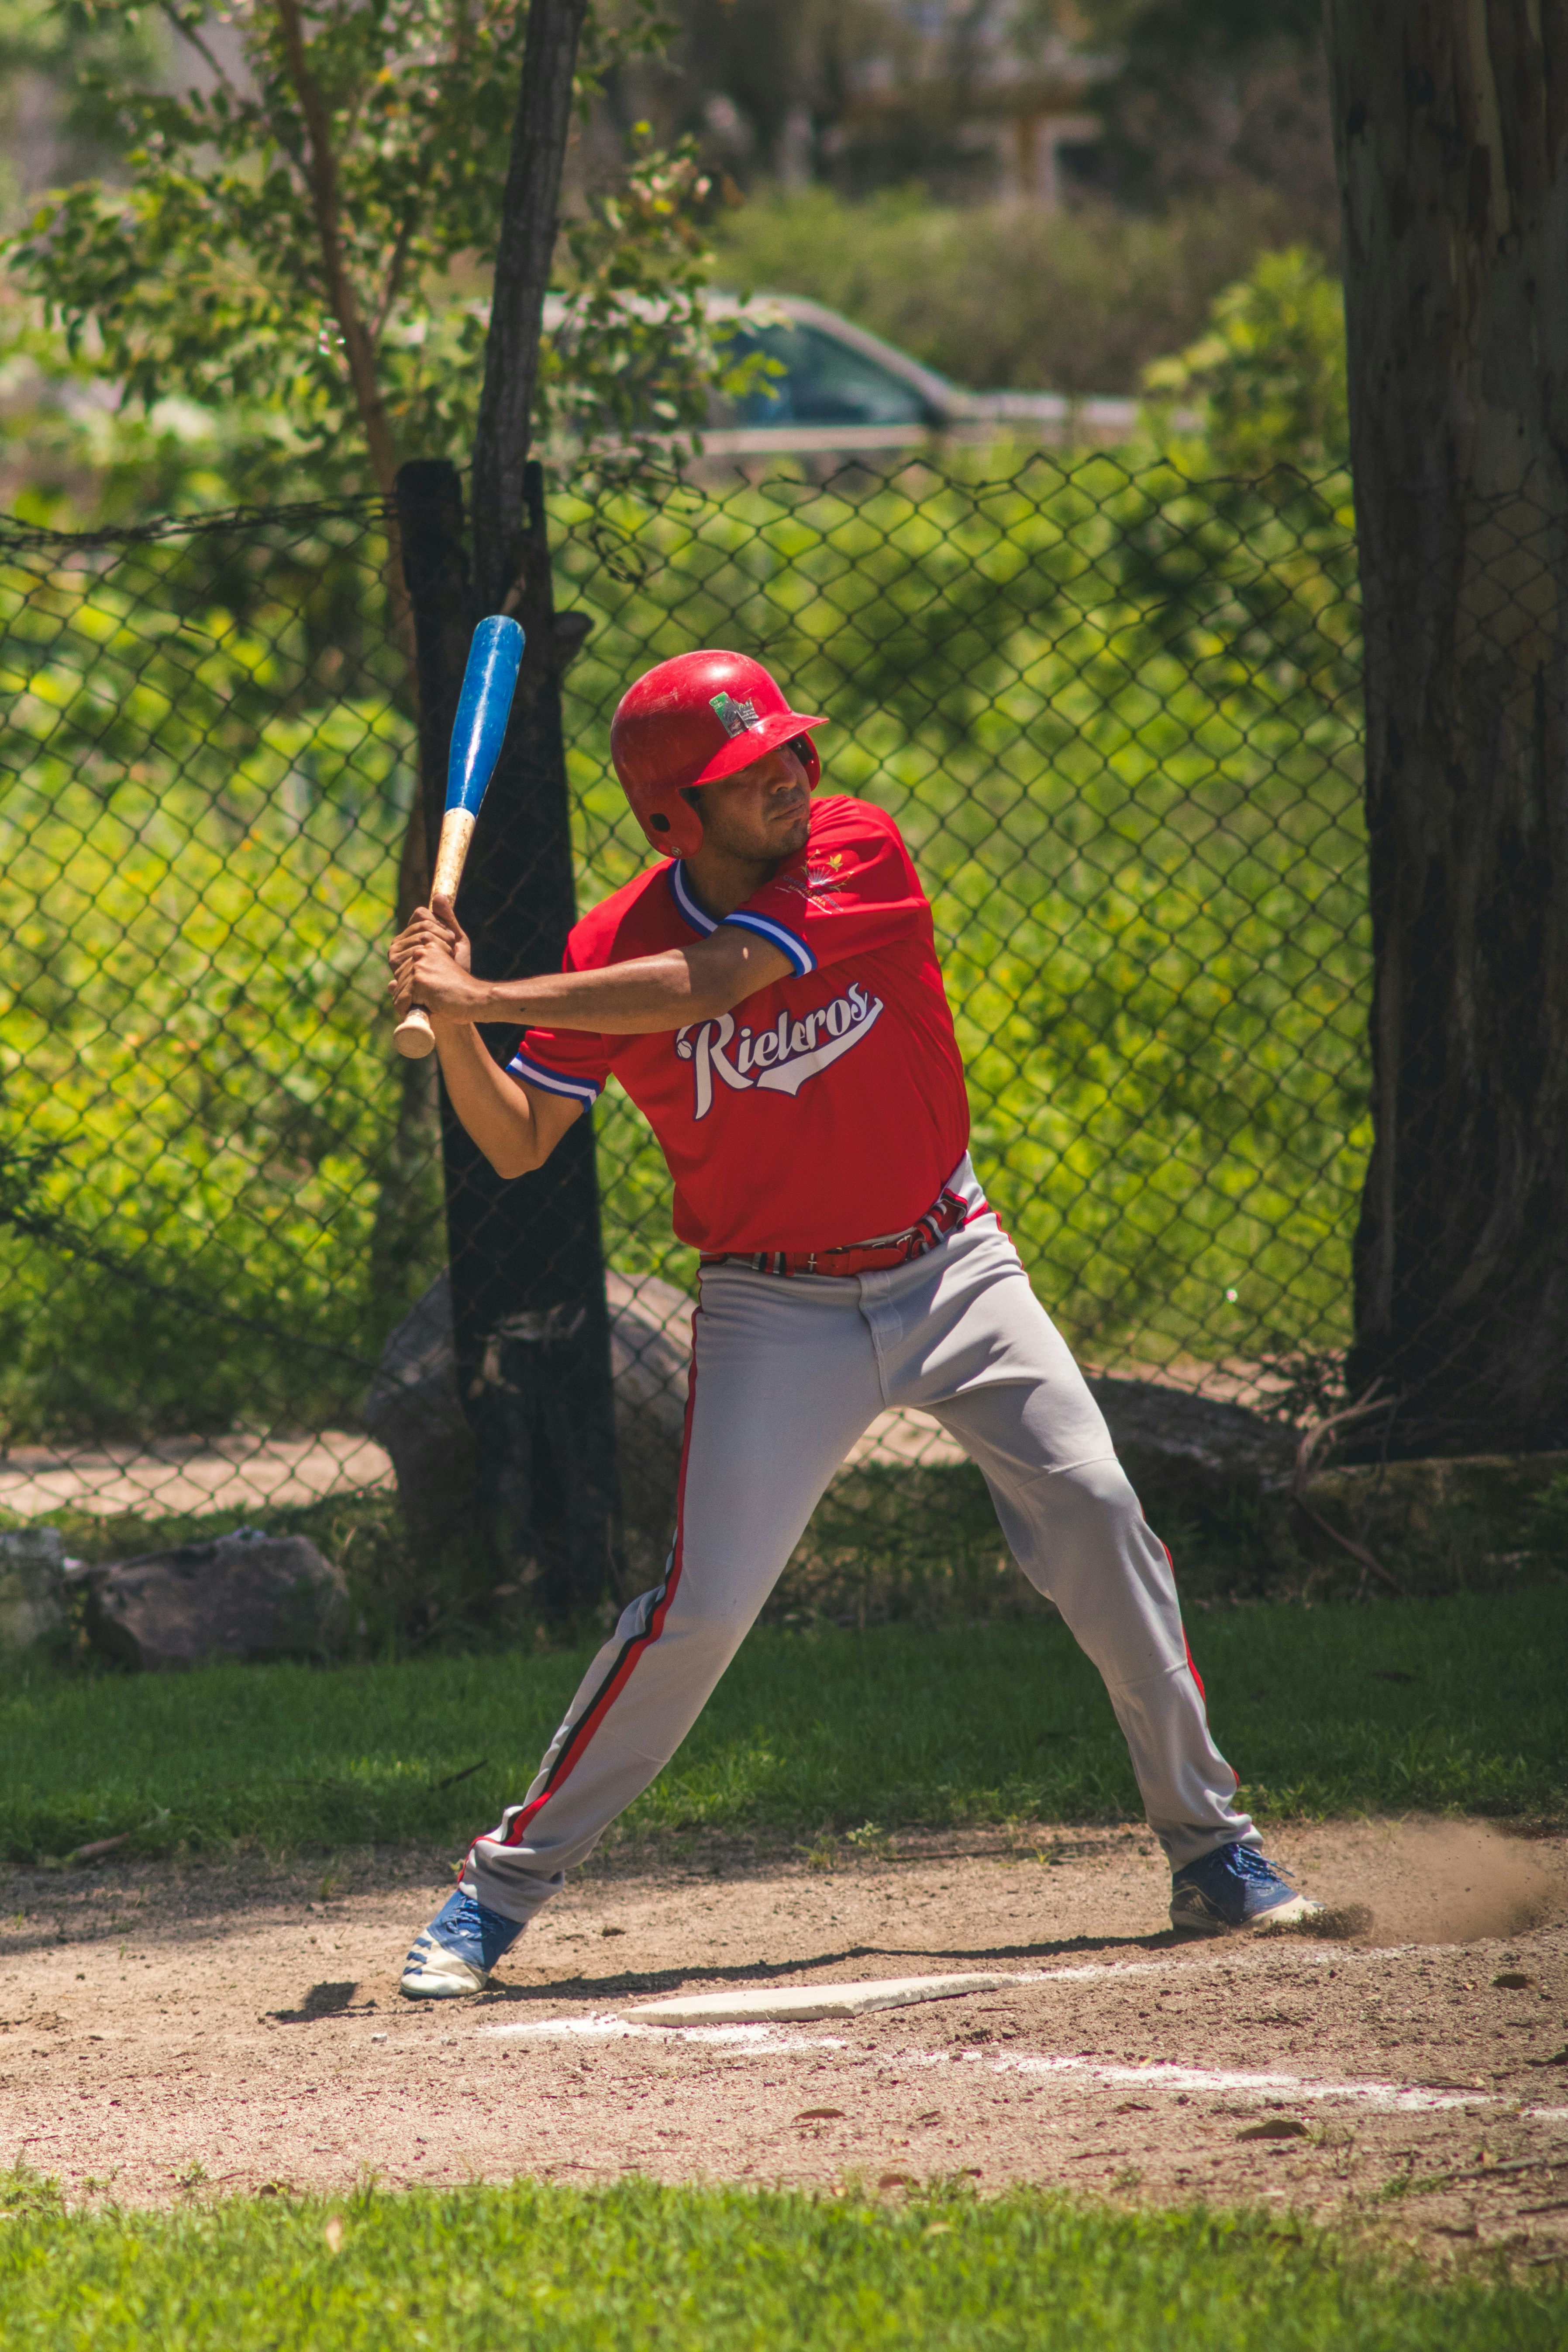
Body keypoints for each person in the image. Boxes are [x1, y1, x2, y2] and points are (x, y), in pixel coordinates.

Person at [387, 649, 1323, 1997]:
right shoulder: (603, 948)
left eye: (787, 748)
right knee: (699, 1611)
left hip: (953, 1264)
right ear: (671, 820)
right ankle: (493, 1894)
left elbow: (708, 984)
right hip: (776, 1304)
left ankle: (1215, 1850)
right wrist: (459, 1022)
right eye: (743, 771)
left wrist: (486, 997)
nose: (787, 773)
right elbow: (521, 1139)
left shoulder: (854, 851)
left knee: (1099, 1511)